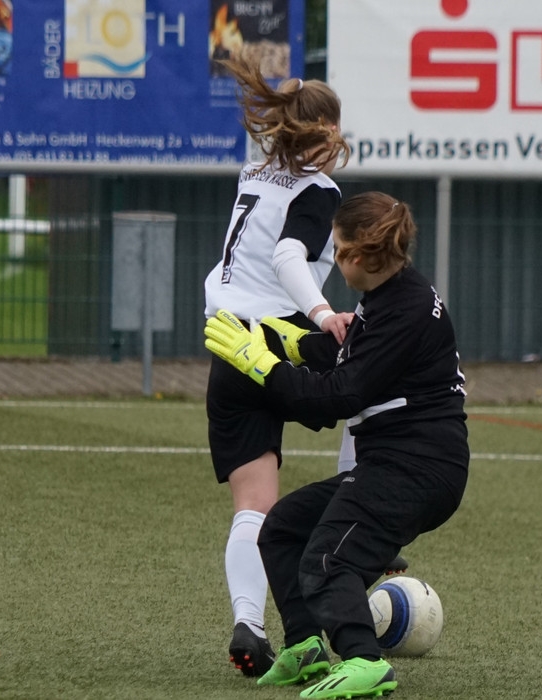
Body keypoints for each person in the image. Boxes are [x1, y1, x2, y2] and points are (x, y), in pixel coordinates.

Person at [204, 191, 470, 699]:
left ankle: (365, 660)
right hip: (398, 464)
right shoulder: (392, 295)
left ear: (353, 256)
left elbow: (338, 397)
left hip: (415, 469)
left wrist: (262, 365)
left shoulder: (405, 308)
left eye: (334, 247)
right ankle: (305, 647)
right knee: (282, 529)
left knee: (329, 560)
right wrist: (288, 339)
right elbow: (351, 355)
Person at [202, 57, 353, 678]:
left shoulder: (254, 172)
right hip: (278, 337)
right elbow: (290, 255)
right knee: (375, 375)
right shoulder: (319, 190)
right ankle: (368, 508)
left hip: (227, 345)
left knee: (254, 505)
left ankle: (250, 624)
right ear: (327, 131)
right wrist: (323, 314)